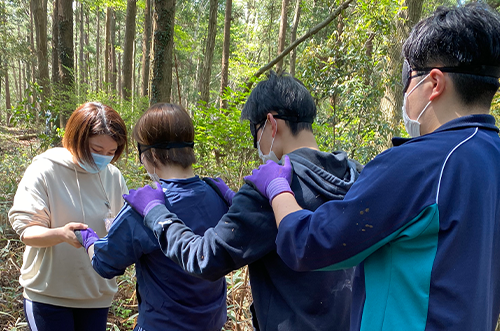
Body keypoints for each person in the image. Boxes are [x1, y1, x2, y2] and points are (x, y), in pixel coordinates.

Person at [243, 4, 500, 331]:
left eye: (409, 77)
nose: (406, 92)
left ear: (434, 82)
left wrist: (276, 187)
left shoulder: (419, 164)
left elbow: (308, 245)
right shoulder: (490, 155)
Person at [123, 72, 359, 330]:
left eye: (254, 131)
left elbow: (204, 258)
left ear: (270, 123)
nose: (256, 141)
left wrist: (156, 213)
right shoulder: (354, 174)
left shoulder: (272, 188)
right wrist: (239, 202)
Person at [74, 103, 229, 331]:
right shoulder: (218, 193)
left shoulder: (147, 206)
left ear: (150, 153)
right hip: (212, 322)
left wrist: (86, 237)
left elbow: (104, 262)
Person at [9, 102, 128, 331]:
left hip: (96, 295)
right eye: (96, 149)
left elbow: (121, 227)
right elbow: (27, 231)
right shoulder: (45, 170)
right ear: (76, 140)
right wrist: (60, 234)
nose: (104, 158)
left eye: (111, 152)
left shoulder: (113, 176)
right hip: (49, 295)